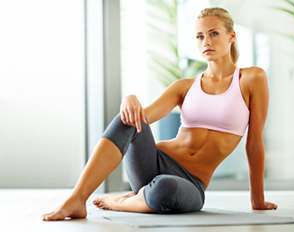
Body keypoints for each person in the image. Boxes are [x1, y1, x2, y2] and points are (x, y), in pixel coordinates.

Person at [42, 7, 278, 221]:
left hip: (189, 184)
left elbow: (254, 141)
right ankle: (77, 198)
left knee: (166, 189)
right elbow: (140, 118)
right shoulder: (184, 86)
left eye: (214, 33)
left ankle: (122, 201)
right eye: (200, 36)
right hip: (152, 163)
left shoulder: (251, 79)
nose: (206, 40)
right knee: (127, 120)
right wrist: (129, 99)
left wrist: (257, 200)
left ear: (231, 37)